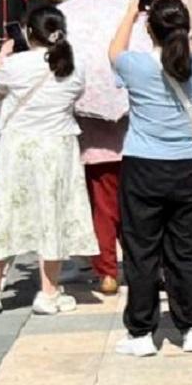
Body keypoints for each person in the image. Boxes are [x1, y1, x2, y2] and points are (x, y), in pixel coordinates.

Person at [0, 4, 95, 316]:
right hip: (57, 148)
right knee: (52, 216)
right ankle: (49, 292)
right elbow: (74, 97)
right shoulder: (73, 67)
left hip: (18, 148)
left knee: (5, 214)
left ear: (29, 32)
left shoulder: (16, 65)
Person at [110, 0, 192, 356]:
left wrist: (129, 15)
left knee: (142, 251)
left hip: (143, 164)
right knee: (187, 248)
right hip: (188, 163)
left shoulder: (136, 66)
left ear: (149, 29)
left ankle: (141, 333)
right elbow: (186, 52)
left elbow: (114, 51)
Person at [79, 116, 126, 295]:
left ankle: (108, 274)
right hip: (134, 145)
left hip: (96, 147)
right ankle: (141, 267)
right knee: (133, 212)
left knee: (103, 212)